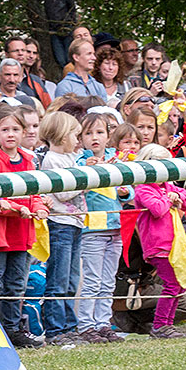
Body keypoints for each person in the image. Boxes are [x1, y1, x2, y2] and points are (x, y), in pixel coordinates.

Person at [0, 105, 46, 346]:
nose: (10, 134)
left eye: (15, 129)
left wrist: (39, 207)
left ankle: (12, 329)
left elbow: (35, 192)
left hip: (21, 233)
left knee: (17, 283)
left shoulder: (29, 160)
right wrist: (17, 208)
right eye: (5, 129)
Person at [131, 144, 186, 338]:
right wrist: (170, 199)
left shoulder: (168, 186)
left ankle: (167, 323)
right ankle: (159, 325)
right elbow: (157, 210)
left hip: (175, 245)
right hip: (158, 245)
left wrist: (176, 195)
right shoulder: (143, 189)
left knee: (179, 285)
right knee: (172, 284)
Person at [37, 111, 86, 345]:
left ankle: (70, 326)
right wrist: (87, 179)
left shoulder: (71, 159)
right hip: (60, 224)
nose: (78, 140)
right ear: (62, 135)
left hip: (75, 223)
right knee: (59, 279)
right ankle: (56, 330)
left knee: (71, 279)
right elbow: (64, 192)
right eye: (75, 135)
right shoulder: (51, 160)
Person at [77, 112, 125, 343]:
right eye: (88, 133)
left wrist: (126, 191)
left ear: (108, 136)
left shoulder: (117, 159)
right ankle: (86, 324)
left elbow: (127, 189)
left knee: (109, 279)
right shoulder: (80, 161)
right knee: (92, 279)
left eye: (99, 132)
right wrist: (86, 168)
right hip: (92, 228)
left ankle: (103, 322)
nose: (94, 138)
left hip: (116, 225)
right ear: (81, 137)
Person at [36, 0, 78, 68]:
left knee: (69, 56)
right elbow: (36, 0)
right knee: (60, 58)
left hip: (66, 28)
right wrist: (38, 15)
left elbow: (72, 10)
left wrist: (73, 24)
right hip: (53, 27)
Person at [54, 39, 107, 103]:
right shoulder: (65, 86)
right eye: (89, 54)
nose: (94, 58)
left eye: (93, 54)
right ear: (76, 57)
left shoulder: (98, 86)